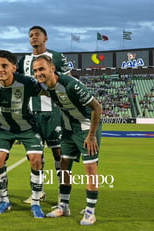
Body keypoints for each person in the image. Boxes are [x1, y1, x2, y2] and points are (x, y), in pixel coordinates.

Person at [32, 55, 102, 225]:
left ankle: (90, 212)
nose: (38, 73)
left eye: (41, 69)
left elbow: (97, 107)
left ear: (52, 69)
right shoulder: (45, 86)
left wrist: (91, 135)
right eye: (35, 70)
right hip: (69, 130)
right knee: (64, 167)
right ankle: (63, 206)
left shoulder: (71, 84)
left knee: (91, 170)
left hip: (86, 129)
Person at [0, 50, 45, 218]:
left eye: (4, 66)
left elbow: (49, 90)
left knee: (36, 161)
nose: (0, 69)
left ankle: (36, 203)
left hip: (28, 128)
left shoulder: (27, 83)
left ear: (14, 68)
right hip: (5, 129)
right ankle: (4, 201)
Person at [17, 25, 71, 204]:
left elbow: (67, 81)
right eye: (31, 35)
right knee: (34, 155)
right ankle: (38, 192)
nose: (33, 38)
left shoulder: (57, 57)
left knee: (58, 153)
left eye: (37, 35)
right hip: (32, 113)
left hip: (54, 112)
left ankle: (61, 192)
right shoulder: (24, 61)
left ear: (45, 38)